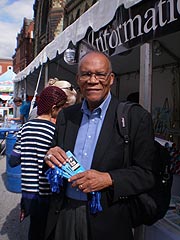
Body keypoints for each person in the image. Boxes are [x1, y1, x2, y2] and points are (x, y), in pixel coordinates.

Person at [44, 51, 156, 240]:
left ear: (111, 79)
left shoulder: (135, 117)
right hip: (65, 213)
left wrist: (109, 178)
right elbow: (53, 159)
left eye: (100, 74)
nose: (93, 80)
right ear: (78, 79)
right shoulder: (66, 116)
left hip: (109, 217)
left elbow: (148, 174)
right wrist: (50, 156)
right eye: (86, 74)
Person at [9, 86, 67, 240]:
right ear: (54, 108)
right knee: (48, 232)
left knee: (34, 231)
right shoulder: (55, 130)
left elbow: (13, 160)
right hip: (47, 195)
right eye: (62, 108)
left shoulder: (26, 127)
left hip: (28, 195)